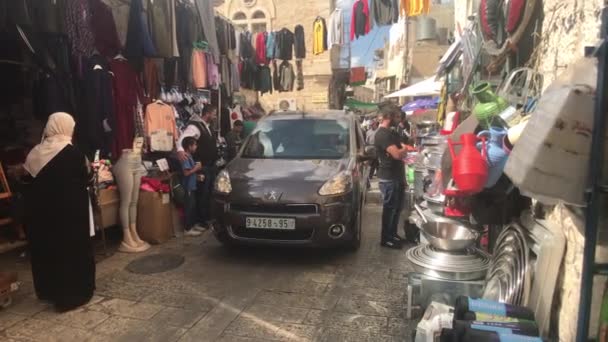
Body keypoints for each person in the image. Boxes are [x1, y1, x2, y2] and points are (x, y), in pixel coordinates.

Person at [22, 112, 95, 311]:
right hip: (70, 216)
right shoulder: (75, 154)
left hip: (42, 216)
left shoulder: (35, 152)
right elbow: (88, 177)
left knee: (48, 251)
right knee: (71, 253)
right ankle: (72, 296)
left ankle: (48, 291)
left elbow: (26, 180)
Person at [374, 106, 410, 249]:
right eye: (396, 117)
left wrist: (402, 150)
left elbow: (400, 150)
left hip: (397, 177)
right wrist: (404, 150)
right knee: (389, 209)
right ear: (389, 117)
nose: (399, 120)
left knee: (397, 208)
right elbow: (397, 154)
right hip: (389, 178)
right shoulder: (382, 135)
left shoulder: (392, 133)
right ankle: (386, 238)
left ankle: (393, 234)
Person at [177, 105, 218, 228]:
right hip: (201, 167)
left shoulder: (207, 127)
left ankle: (206, 218)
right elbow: (183, 139)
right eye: (214, 113)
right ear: (207, 114)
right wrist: (180, 150)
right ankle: (200, 221)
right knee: (202, 194)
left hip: (209, 166)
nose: (215, 116)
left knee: (208, 194)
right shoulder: (195, 127)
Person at [181, 137, 204, 237]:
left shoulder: (190, 156)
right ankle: (187, 228)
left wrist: (197, 176)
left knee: (193, 206)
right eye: (194, 145)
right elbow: (186, 173)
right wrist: (196, 168)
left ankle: (193, 225)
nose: (196, 147)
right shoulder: (185, 158)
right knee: (189, 208)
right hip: (188, 187)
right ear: (189, 146)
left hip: (193, 185)